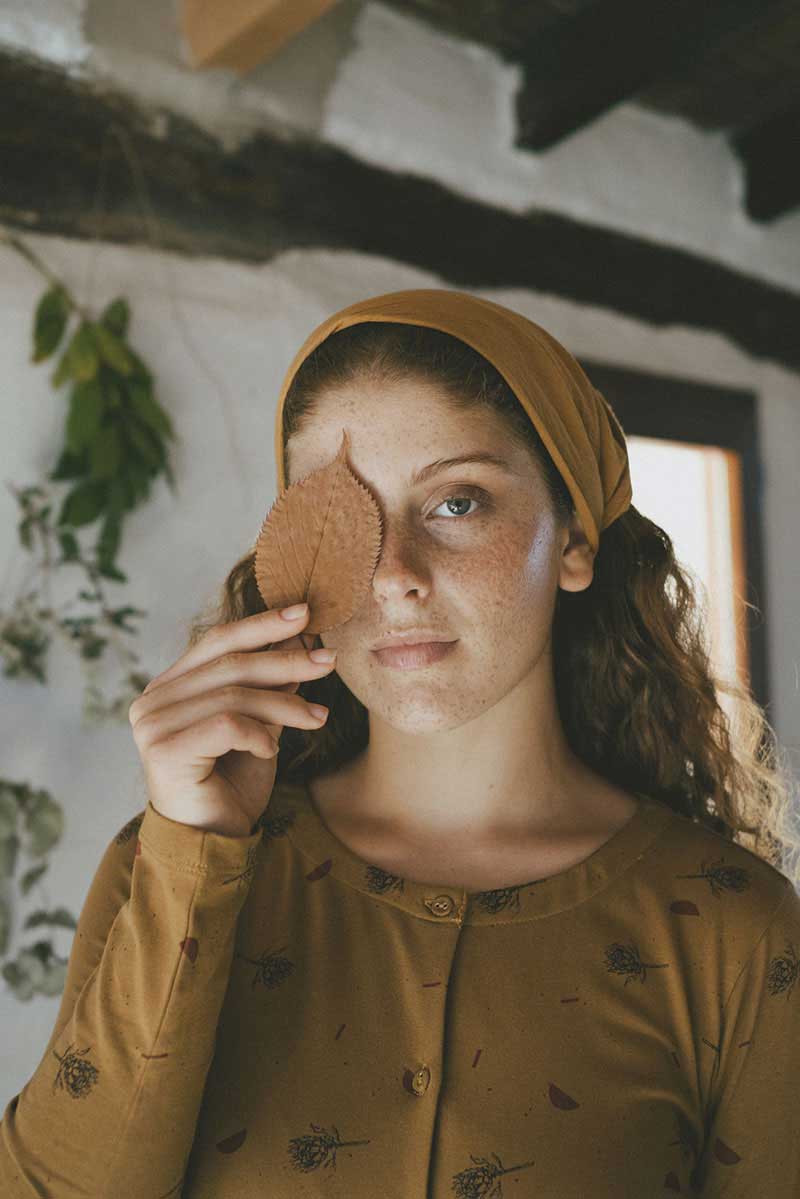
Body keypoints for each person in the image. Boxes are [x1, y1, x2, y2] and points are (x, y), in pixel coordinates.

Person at [2, 288, 799, 1198]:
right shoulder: (170, 861)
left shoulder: (735, 927)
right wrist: (192, 858)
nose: (393, 577)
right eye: (342, 517)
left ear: (573, 536)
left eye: (458, 502)